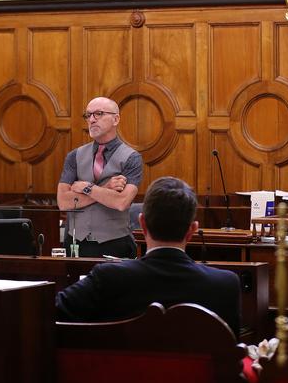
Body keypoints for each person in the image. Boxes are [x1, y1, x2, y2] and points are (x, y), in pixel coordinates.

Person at [55, 176, 242, 338]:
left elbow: (50, 312)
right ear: (192, 230)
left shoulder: (108, 278)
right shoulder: (225, 286)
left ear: (142, 224)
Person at [56, 96, 143, 259]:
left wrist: (85, 188)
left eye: (99, 114)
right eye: (88, 115)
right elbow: (64, 202)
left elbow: (120, 202)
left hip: (115, 244)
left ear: (116, 119)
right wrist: (105, 189)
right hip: (76, 243)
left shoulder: (132, 158)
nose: (92, 120)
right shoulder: (74, 156)